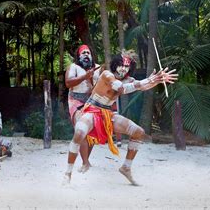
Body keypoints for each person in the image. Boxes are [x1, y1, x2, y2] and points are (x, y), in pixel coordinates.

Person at [63, 50, 178, 185]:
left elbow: (143, 86)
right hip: (92, 111)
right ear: (115, 64)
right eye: (121, 65)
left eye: (127, 66)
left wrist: (158, 79)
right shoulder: (107, 75)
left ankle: (126, 167)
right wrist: (149, 80)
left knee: (139, 133)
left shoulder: (129, 80)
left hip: (107, 114)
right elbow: (121, 88)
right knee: (80, 132)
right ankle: (67, 174)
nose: (123, 68)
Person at [65, 44, 101, 173]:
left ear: (91, 56)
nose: (86, 54)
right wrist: (85, 77)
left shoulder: (98, 68)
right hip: (76, 101)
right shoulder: (73, 67)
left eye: (88, 53)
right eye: (83, 53)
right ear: (79, 56)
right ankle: (85, 163)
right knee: (82, 130)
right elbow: (68, 83)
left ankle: (86, 161)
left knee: (92, 133)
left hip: (93, 102)